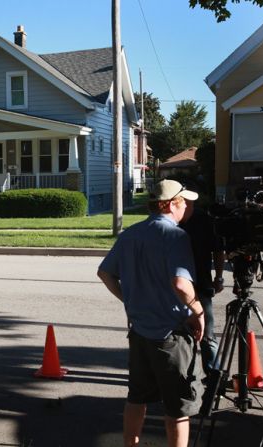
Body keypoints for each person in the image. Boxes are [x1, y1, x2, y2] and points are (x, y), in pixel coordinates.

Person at [96, 179, 205, 447]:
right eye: (185, 202)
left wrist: (129, 299)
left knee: (137, 398)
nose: (188, 207)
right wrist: (198, 310)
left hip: (140, 332)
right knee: (178, 408)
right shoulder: (176, 235)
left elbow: (105, 273)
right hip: (171, 335)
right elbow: (180, 283)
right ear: (172, 205)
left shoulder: (131, 234)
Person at [179, 190, 226, 376]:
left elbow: (218, 250)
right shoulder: (176, 221)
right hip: (189, 282)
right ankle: (207, 377)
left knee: (203, 332)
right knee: (201, 333)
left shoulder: (202, 220)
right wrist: (219, 277)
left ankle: (210, 376)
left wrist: (219, 277)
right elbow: (219, 250)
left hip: (198, 282)